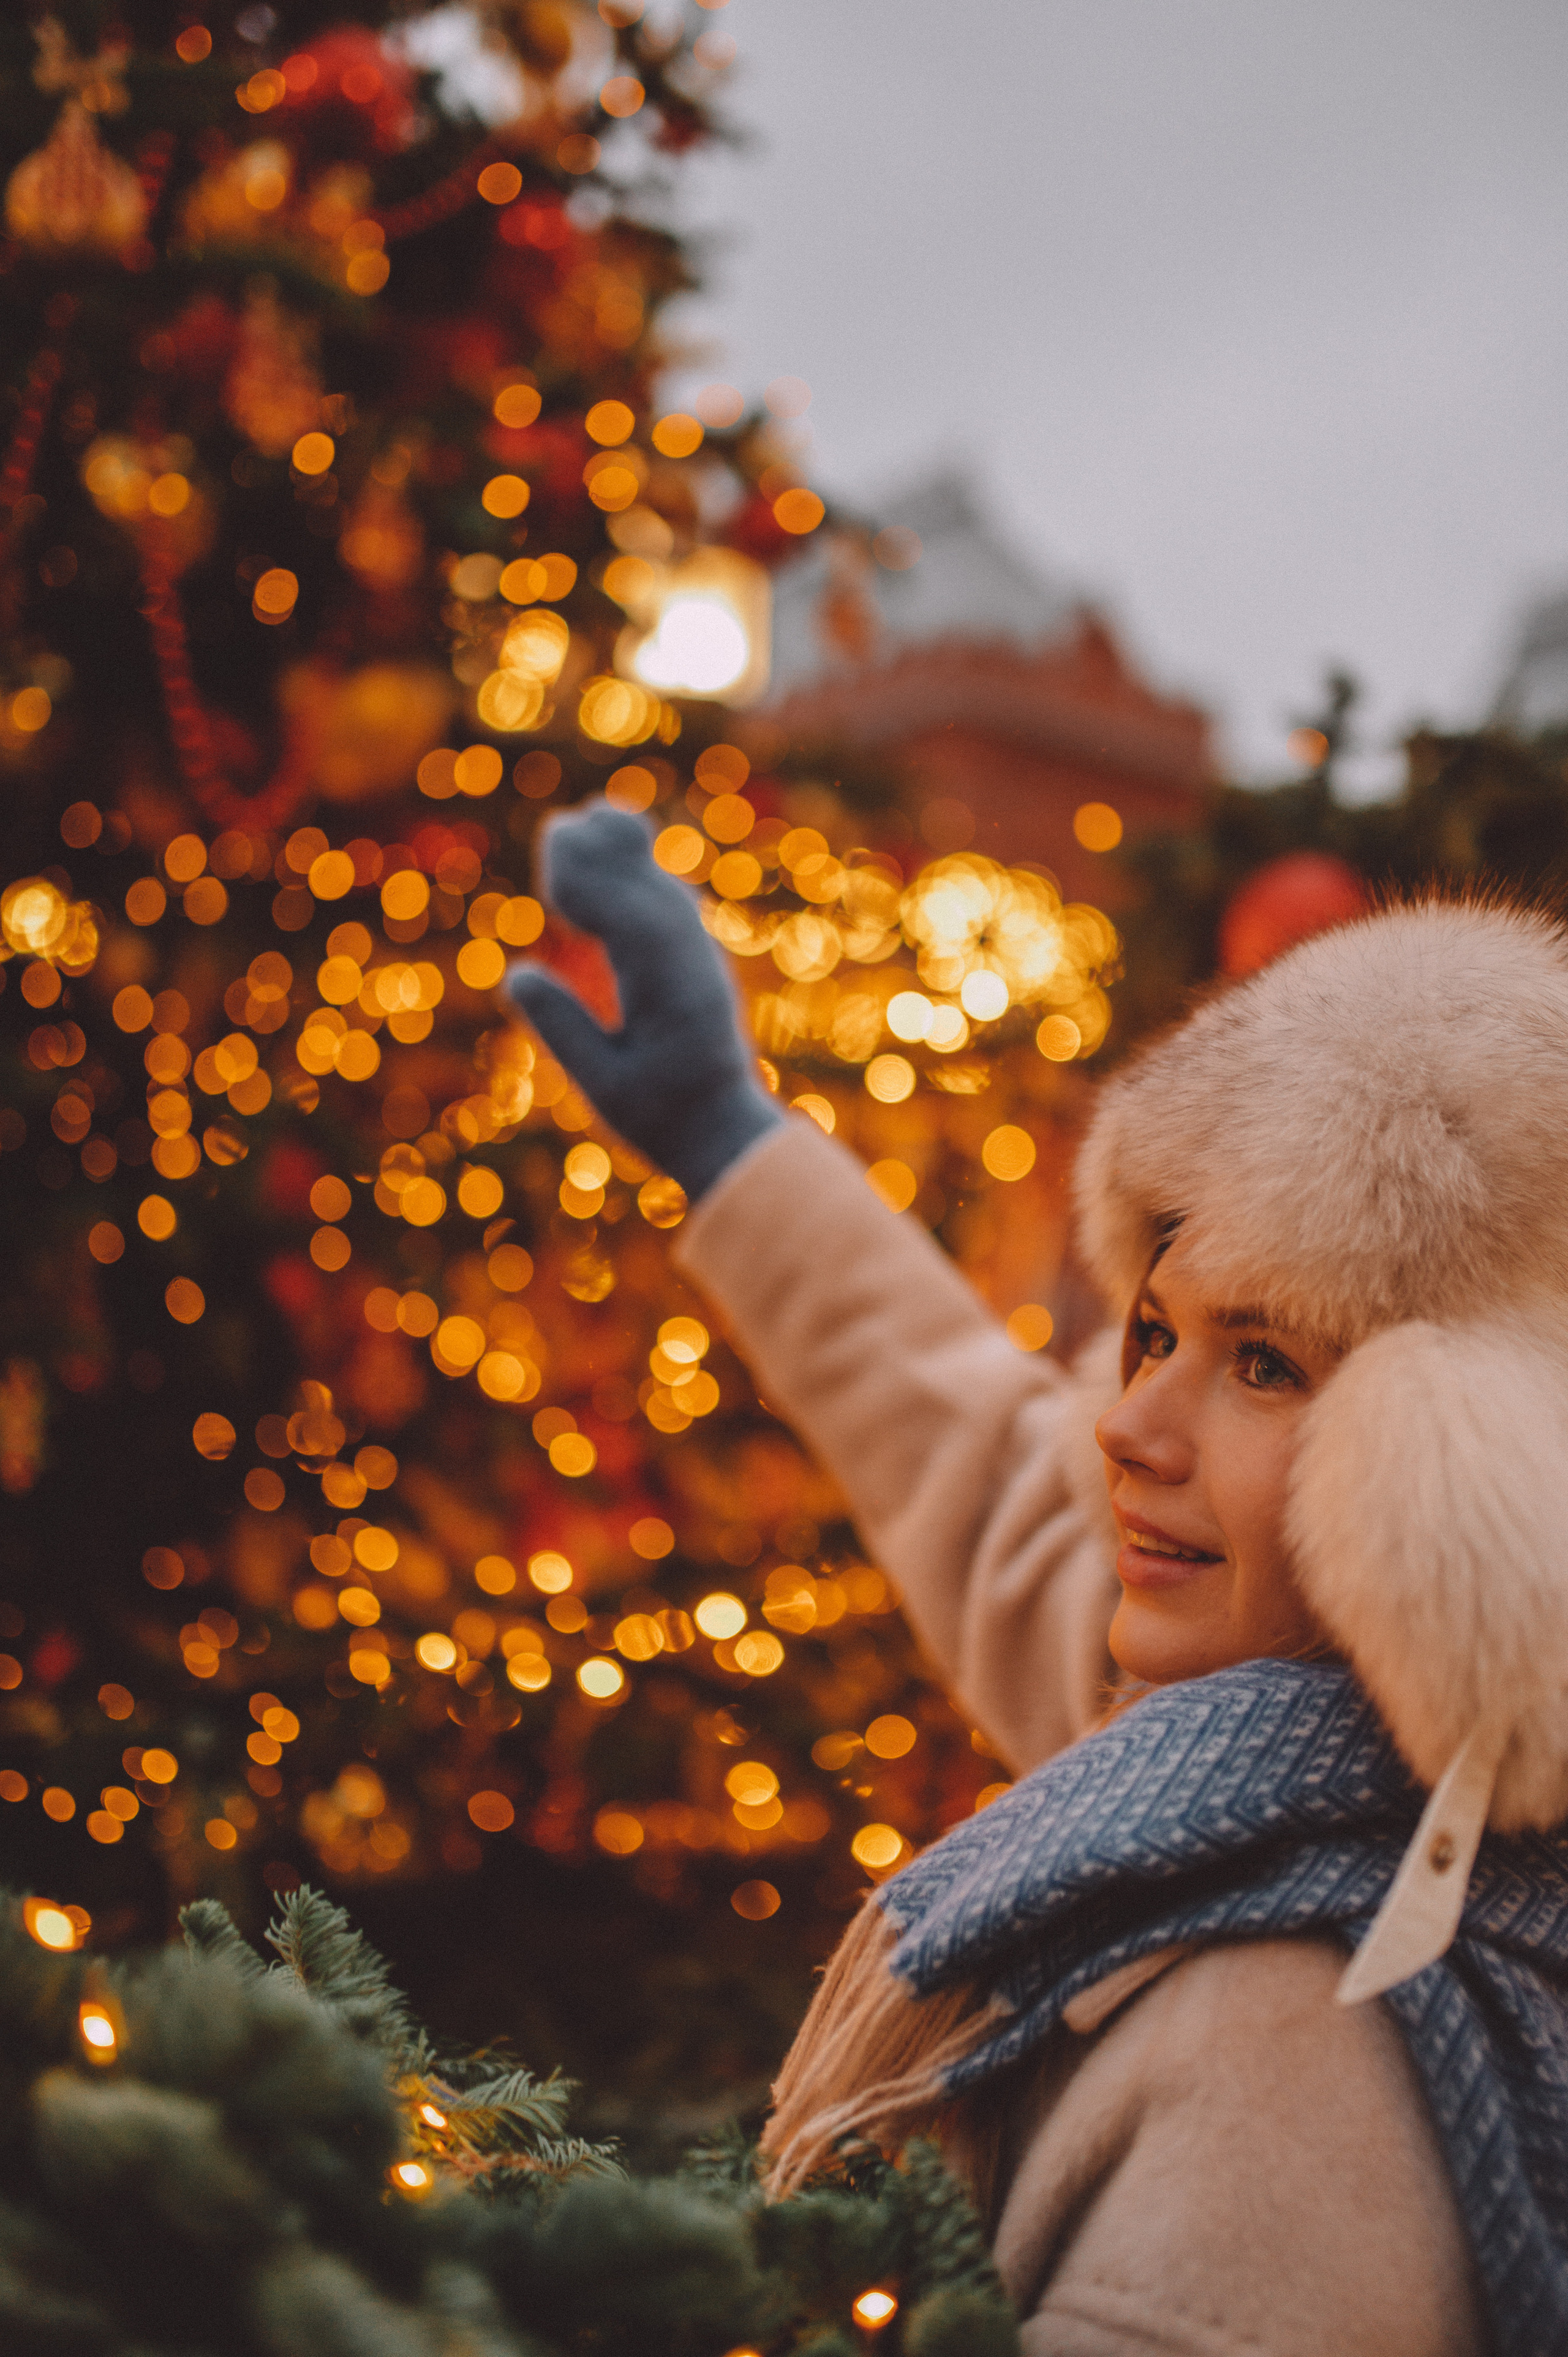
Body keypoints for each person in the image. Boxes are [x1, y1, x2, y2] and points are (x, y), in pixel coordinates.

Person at [508, 804, 1568, 2356]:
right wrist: (727, 1135)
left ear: (1451, 1468)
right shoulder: (1239, 1759)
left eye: (1261, 1362)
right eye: (1151, 1332)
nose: (1123, 1427)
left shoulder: (1297, 2043)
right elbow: (992, 1468)